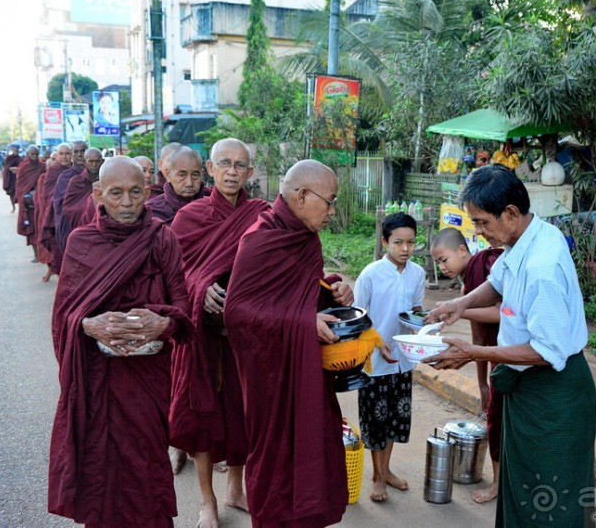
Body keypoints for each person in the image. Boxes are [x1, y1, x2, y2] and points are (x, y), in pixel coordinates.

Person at [424, 165, 596, 527]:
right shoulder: (523, 240)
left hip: (554, 396)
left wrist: (474, 353)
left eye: (483, 222)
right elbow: (497, 280)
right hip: (526, 391)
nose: (478, 231)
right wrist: (461, 304)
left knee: (550, 501)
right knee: (521, 490)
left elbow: (545, 352)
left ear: (511, 214)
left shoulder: (543, 265)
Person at [48, 156, 192, 527]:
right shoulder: (81, 243)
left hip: (147, 376)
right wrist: (89, 324)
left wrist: (162, 323)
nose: (127, 202)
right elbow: (65, 313)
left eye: (134, 192)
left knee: (146, 464)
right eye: (116, 194)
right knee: (101, 468)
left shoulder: (162, 238)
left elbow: (182, 307)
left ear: (148, 191)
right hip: (98, 377)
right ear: (98, 194)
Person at [224, 160, 354, 528]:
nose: (331, 211)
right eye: (328, 202)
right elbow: (238, 311)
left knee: (314, 446)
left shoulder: (304, 236)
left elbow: (298, 291)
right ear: (301, 195)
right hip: (271, 378)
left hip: (305, 368)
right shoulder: (259, 239)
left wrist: (332, 288)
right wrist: (302, 321)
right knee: (276, 457)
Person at [168, 139, 268, 527]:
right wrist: (200, 286)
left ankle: (235, 490)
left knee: (244, 414)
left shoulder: (262, 215)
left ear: (250, 174)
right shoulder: (188, 218)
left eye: (240, 165)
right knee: (203, 418)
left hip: (245, 337)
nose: (231, 171)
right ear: (211, 169)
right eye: (224, 163)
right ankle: (207, 500)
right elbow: (174, 277)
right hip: (202, 337)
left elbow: (279, 266)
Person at [353, 212, 426, 503]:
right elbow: (358, 316)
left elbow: (416, 311)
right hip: (374, 361)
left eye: (410, 242)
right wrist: (378, 341)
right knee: (376, 421)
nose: (405, 249)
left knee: (395, 418)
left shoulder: (417, 273)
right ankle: (378, 476)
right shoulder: (370, 274)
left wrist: (426, 329)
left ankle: (386, 471)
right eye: (398, 242)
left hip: (403, 359)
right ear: (385, 241)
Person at [429, 228, 502, 504]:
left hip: (517, 350)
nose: (442, 267)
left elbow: (503, 311)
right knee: (495, 416)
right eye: (437, 262)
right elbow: (478, 337)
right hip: (495, 354)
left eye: (444, 259)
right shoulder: (466, 287)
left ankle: (498, 484)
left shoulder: (486, 263)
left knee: (502, 419)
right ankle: (499, 480)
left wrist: (458, 307)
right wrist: (482, 382)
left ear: (462, 251)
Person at [38, 144, 73, 282]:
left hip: (72, 217)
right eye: (62, 154)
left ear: (71, 155)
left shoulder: (76, 171)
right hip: (56, 217)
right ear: (57, 155)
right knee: (58, 249)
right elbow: (47, 194)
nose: (64, 156)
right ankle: (61, 280)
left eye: (67, 153)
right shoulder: (52, 172)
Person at [147, 146, 210, 223]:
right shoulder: (152, 211)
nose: (189, 183)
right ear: (169, 175)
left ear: (202, 175)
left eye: (195, 175)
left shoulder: (213, 207)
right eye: (182, 175)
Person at [58, 148, 103, 251]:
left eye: (97, 161)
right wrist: (88, 207)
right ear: (85, 162)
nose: (94, 165)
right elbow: (68, 207)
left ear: (102, 161)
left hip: (102, 226)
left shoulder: (107, 179)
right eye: (91, 161)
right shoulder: (76, 181)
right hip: (82, 226)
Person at [52, 141, 88, 250]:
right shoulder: (66, 176)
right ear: (72, 154)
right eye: (76, 151)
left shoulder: (99, 174)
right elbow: (59, 203)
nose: (79, 154)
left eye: (83, 151)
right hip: (71, 225)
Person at [14, 146, 44, 261]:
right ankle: (36, 255)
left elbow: (45, 181)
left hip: (39, 203)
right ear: (27, 154)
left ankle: (43, 255)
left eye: (36, 154)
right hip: (28, 205)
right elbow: (20, 186)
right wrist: (28, 193)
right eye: (32, 154)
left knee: (41, 229)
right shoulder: (23, 168)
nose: (35, 156)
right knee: (31, 231)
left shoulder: (42, 166)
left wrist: (38, 191)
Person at [3, 145, 22, 212]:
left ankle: (20, 207)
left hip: (17, 178)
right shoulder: (9, 158)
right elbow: (6, 167)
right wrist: (10, 169)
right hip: (10, 178)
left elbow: (22, 167)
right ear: (12, 151)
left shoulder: (20, 159)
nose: (16, 152)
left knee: (19, 193)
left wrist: (17, 169)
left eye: (17, 151)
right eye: (14, 151)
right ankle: (13, 207)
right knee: (11, 193)